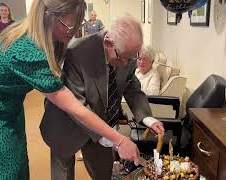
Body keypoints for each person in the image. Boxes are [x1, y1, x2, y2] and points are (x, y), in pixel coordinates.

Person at [0, 0, 140, 179]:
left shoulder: (52, 35)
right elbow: (74, 107)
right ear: (48, 16)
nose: (75, 31)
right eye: (70, 26)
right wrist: (120, 139)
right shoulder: (25, 49)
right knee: (4, 168)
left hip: (9, 101)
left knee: (18, 161)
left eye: (79, 23)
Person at [40, 16, 165, 180]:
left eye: (132, 58)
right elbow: (78, 108)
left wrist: (147, 118)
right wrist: (117, 140)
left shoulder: (126, 53)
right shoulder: (77, 52)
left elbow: (131, 86)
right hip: (66, 124)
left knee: (103, 173)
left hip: (103, 124)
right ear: (108, 43)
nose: (127, 63)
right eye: (123, 58)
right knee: (63, 174)